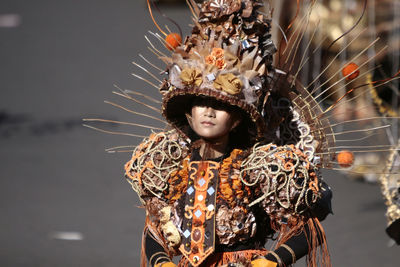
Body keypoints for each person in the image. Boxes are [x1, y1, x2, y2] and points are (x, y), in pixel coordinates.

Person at [124, 1, 333, 266]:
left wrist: (274, 260)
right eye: (201, 103)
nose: (209, 112)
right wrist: (161, 261)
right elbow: (154, 229)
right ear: (189, 113)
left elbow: (307, 228)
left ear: (236, 121)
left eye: (221, 107)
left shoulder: (256, 170)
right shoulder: (173, 166)